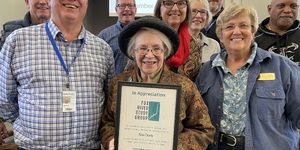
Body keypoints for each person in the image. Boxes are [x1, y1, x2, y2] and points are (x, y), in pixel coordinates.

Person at [0, 0, 115, 149]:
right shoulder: (18, 42)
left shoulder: (103, 50)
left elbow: (108, 103)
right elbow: (5, 99)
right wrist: (31, 122)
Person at [100, 16, 215, 150]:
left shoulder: (185, 87)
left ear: (165, 52)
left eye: (156, 48)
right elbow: (107, 123)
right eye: (142, 48)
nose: (149, 55)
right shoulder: (118, 84)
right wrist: (112, 139)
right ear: (133, 52)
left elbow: (205, 130)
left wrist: (171, 145)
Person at [195, 3, 300, 150]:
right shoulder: (207, 70)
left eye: (243, 25)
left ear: (253, 31)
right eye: (229, 27)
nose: (236, 31)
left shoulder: (282, 67)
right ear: (220, 35)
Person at [177, 0, 220, 81]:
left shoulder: (214, 45)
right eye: (193, 11)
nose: (198, 15)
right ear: (185, 14)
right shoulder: (175, 42)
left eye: (203, 12)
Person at [255, 0, 300, 66]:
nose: (287, 10)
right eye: (281, 6)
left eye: (293, 6)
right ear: (269, 9)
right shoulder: (253, 36)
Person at [98, 0, 137, 75]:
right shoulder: (104, 36)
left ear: (135, 9)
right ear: (116, 9)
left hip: (139, 85)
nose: (126, 9)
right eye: (122, 5)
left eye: (130, 5)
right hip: (113, 84)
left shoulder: (144, 33)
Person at [153, 0, 192, 72]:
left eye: (181, 3)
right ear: (159, 11)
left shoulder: (195, 45)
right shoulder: (147, 40)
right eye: (168, 3)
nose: (175, 9)